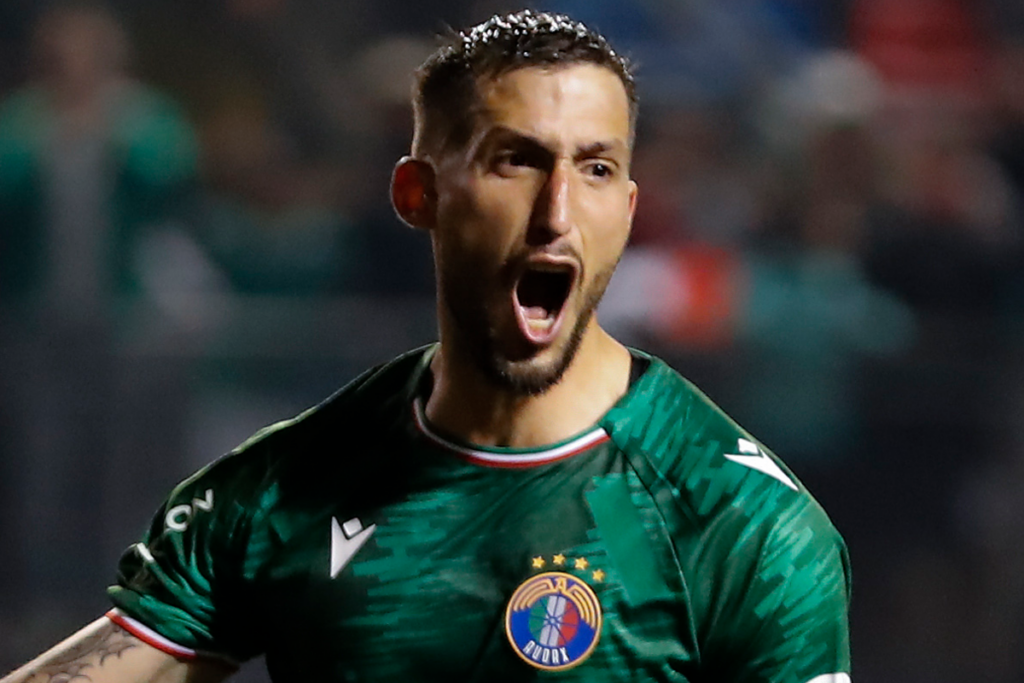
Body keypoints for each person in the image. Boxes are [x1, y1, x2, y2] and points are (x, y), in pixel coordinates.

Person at [2, 10, 851, 683]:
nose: (557, 212)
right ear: (418, 193)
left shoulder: (743, 526)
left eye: (594, 170)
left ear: (628, 210)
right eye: (515, 161)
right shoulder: (280, 494)